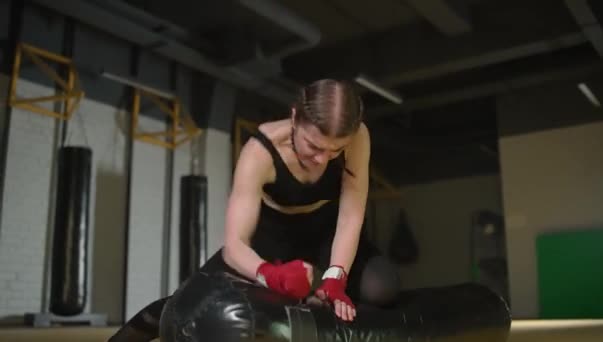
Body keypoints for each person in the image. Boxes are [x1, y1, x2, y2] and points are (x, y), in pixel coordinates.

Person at [109, 79, 401, 342]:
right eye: (313, 145)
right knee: (192, 300)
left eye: (335, 151)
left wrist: (337, 277)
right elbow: (235, 246)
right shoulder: (260, 151)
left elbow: (351, 213)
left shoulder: (358, 136)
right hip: (273, 237)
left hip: (325, 233)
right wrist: (270, 275)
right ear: (295, 117)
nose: (322, 159)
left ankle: (321, 298)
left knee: (382, 287)